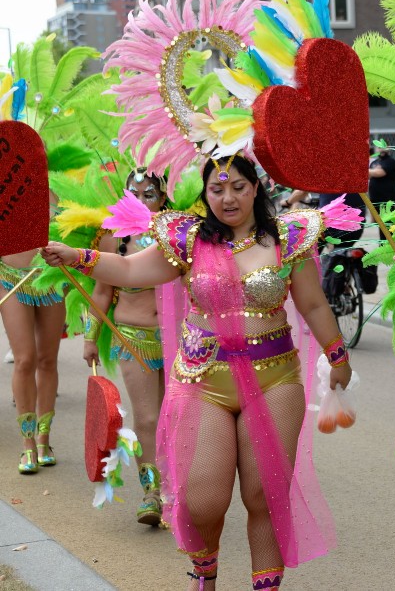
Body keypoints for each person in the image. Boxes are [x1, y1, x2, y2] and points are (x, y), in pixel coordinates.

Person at [43, 155, 356, 590]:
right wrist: (77, 256)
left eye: (239, 187)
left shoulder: (288, 237)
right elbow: (132, 269)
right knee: (202, 499)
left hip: (275, 379)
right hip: (204, 380)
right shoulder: (189, 240)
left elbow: (314, 304)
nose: (228, 198)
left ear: (256, 188)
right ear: (205, 194)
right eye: (217, 189)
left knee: (265, 495)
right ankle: (204, 572)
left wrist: (338, 356)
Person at [82, 168, 169, 524]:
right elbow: (101, 291)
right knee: (148, 417)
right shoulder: (111, 236)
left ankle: (177, 489)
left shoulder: (178, 232)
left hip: (182, 340)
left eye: (150, 193)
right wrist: (90, 338)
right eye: (135, 193)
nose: (142, 200)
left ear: (163, 197)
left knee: (177, 417)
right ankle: (152, 493)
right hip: (134, 337)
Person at [1, 198, 65, 475]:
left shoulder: (55, 189)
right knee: (25, 359)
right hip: (11, 278)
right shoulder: (8, 184)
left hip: (50, 279)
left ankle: (44, 440)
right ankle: (27, 442)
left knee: (47, 360)